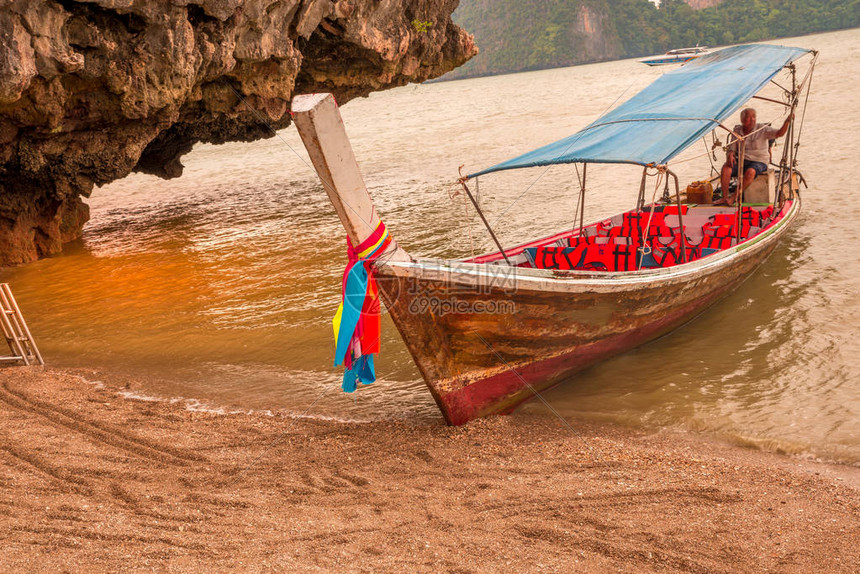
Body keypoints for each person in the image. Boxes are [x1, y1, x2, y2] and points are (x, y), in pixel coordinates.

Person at [716, 108, 792, 206]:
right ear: (742, 120)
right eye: (749, 117)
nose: (752, 119)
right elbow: (732, 148)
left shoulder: (763, 129)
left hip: (759, 161)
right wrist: (730, 154)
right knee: (726, 168)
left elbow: (779, 133)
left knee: (750, 172)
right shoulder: (737, 130)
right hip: (743, 160)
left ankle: (733, 198)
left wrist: (787, 121)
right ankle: (724, 198)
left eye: (754, 117)